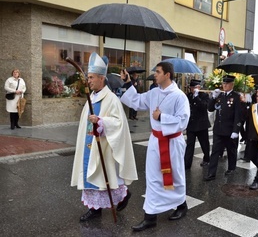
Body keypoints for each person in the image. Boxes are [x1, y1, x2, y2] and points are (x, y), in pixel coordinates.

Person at [120, 62, 190, 231]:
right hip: (155, 141)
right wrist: (128, 82)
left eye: (158, 72)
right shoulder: (153, 92)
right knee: (153, 178)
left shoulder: (179, 96)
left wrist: (162, 117)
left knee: (175, 176)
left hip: (172, 142)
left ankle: (181, 205)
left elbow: (183, 121)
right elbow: (136, 101)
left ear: (167, 75)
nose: (155, 75)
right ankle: (150, 217)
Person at [71, 52, 138, 222]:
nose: (89, 80)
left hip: (103, 145)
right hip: (89, 143)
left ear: (102, 78)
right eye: (88, 77)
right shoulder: (91, 97)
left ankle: (123, 195)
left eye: (92, 77)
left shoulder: (112, 99)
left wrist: (101, 122)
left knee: (103, 177)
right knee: (92, 175)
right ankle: (95, 209)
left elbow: (119, 123)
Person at [204, 75, 242, 181]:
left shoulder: (236, 97)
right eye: (223, 83)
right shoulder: (219, 96)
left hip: (230, 130)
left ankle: (231, 168)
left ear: (232, 84)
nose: (224, 85)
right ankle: (211, 173)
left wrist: (236, 130)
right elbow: (210, 108)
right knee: (215, 151)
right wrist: (213, 97)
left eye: (227, 84)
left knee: (231, 150)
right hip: (218, 129)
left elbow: (238, 115)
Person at [184, 79, 211, 169]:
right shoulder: (188, 96)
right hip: (191, 124)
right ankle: (187, 163)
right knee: (190, 145)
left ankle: (207, 159)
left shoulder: (204, 95)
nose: (193, 89)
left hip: (201, 124)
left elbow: (204, 106)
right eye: (192, 88)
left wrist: (197, 97)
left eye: (195, 87)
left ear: (199, 87)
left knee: (204, 144)